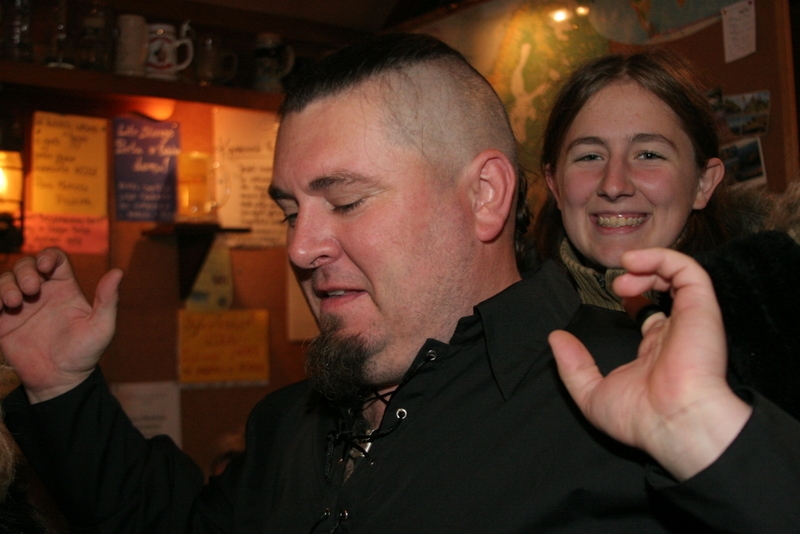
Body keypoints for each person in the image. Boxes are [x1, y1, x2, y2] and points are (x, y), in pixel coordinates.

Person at [0, 33, 798, 533]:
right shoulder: (288, 422)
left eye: (346, 200)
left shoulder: (632, 401)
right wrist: (62, 387)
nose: (302, 246)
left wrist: (707, 438)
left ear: (485, 196)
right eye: (290, 210)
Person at [527, 49, 800, 418]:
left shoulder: (776, 316)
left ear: (703, 183)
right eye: (590, 156)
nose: (613, 184)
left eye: (648, 155)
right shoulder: (509, 330)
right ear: (555, 185)